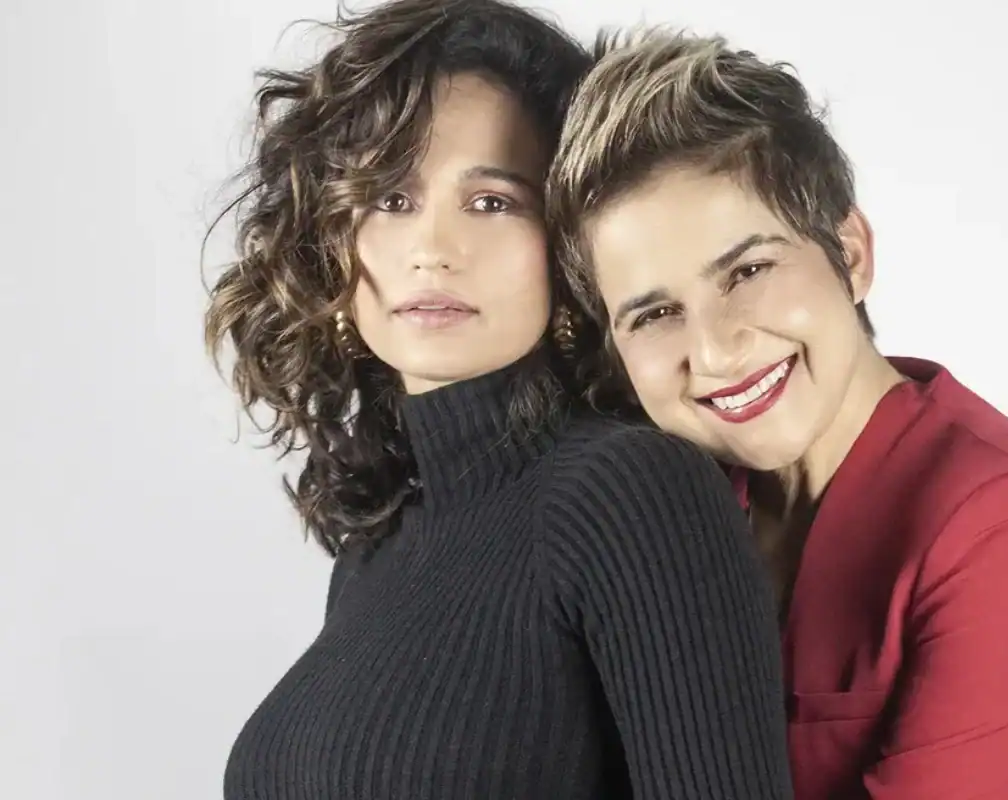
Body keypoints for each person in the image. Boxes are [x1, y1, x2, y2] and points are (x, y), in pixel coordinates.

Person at [203, 3, 795, 798]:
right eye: (391, 198)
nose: (433, 250)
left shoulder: (632, 491)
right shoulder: (378, 546)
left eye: (491, 201)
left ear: (569, 245)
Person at [546, 29, 1008, 800]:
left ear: (849, 253)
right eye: (655, 314)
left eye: (748, 270)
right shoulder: (663, 506)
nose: (716, 351)